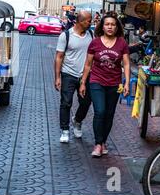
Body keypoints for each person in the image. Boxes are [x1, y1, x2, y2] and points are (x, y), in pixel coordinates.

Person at [79, 13, 130, 157]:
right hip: (96, 81)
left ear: (116, 27)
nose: (110, 27)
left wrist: (126, 82)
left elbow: (126, 64)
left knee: (109, 114)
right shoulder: (95, 43)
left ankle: (103, 142)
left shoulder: (122, 43)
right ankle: (97, 144)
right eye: (107, 24)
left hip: (114, 83)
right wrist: (83, 82)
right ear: (102, 26)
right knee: (100, 111)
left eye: (113, 24)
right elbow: (88, 64)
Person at [55, 11, 93, 143]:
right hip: (68, 74)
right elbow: (59, 57)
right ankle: (65, 130)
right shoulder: (65, 36)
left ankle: (77, 120)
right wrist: (58, 77)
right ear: (80, 21)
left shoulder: (91, 35)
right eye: (89, 21)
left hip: (85, 75)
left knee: (86, 102)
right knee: (66, 102)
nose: (91, 23)